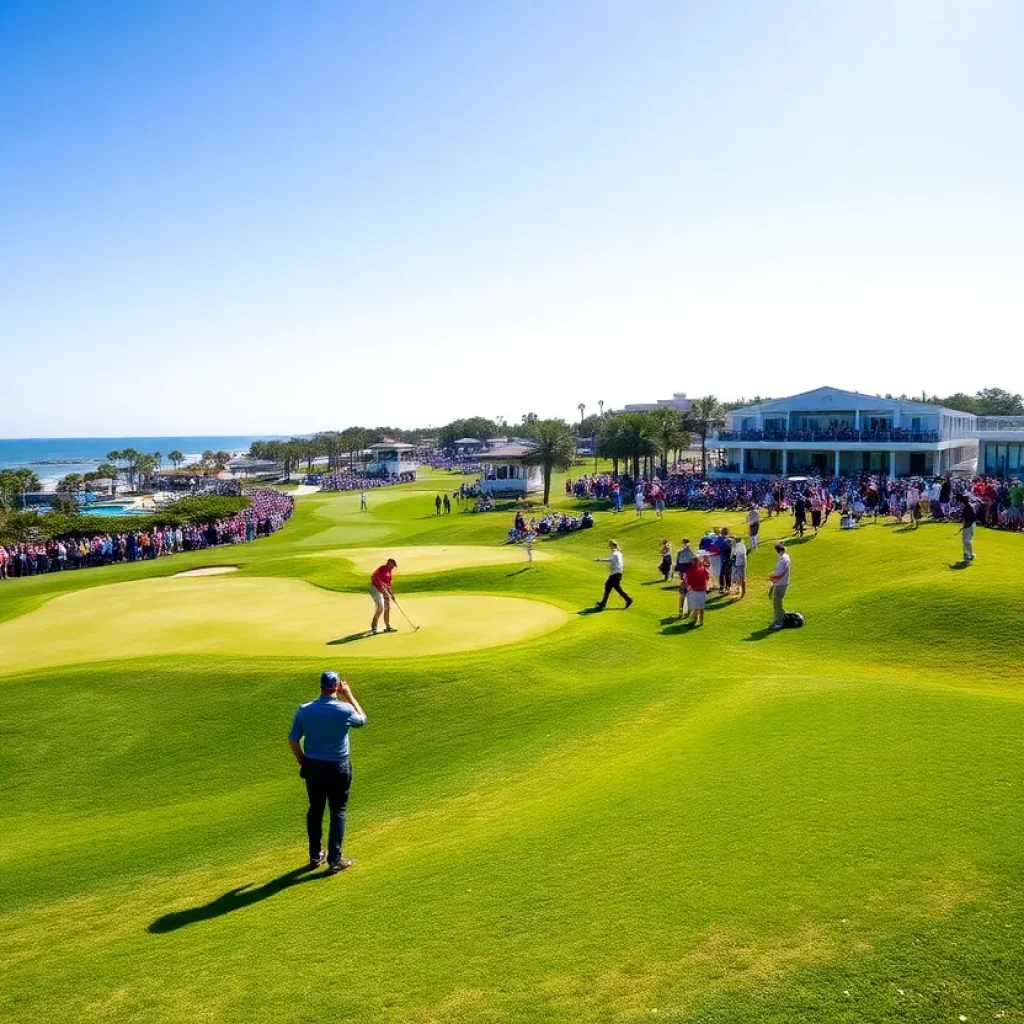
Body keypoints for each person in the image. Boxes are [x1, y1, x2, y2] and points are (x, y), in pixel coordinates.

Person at [288, 670, 368, 873]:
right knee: (338, 811)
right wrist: (349, 695)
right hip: (338, 767)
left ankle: (315, 855)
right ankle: (335, 859)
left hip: (313, 766)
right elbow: (362, 719)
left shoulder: (305, 709)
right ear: (337, 687)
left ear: (321, 686)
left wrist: (302, 759)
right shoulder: (345, 709)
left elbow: (293, 739)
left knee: (315, 809)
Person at [594, 540, 632, 610]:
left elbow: (610, 560)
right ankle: (604, 603)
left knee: (610, 586)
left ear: (612, 545)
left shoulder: (615, 553)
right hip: (617, 572)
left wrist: (600, 560)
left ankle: (628, 599)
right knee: (611, 586)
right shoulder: (618, 553)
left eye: (610, 545)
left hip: (615, 573)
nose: (609, 547)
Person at [369, 558, 398, 634]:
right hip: (374, 588)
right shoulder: (382, 569)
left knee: (387, 606)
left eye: (393, 566)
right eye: (392, 565)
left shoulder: (389, 572)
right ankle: (374, 626)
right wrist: (387, 594)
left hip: (382, 589)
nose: (393, 567)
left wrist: (392, 595)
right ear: (388, 564)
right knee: (380, 606)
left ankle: (387, 626)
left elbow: (388, 586)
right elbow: (379, 584)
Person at [768, 542, 791, 630]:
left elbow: (778, 574)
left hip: (780, 584)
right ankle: (782, 617)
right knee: (778, 603)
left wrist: (771, 577)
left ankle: (779, 622)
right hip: (782, 583)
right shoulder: (786, 557)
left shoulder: (783, 560)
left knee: (777, 604)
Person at [681, 554, 709, 626]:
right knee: (700, 607)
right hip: (701, 590)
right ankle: (700, 621)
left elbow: (688, 581)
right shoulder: (703, 568)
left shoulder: (691, 570)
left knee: (695, 607)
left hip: (695, 590)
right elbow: (707, 577)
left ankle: (694, 620)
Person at [675, 538, 694, 617]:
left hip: (684, 581)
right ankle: (688, 612)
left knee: (682, 596)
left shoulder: (680, 553)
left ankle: (681, 611)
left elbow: (678, 568)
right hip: (689, 580)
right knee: (689, 596)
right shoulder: (691, 554)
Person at [958, 495, 977, 563]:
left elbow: (969, 518)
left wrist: (965, 526)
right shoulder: (969, 506)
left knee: (966, 540)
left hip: (969, 524)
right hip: (971, 524)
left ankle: (969, 555)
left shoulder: (968, 507)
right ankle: (966, 554)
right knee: (967, 540)